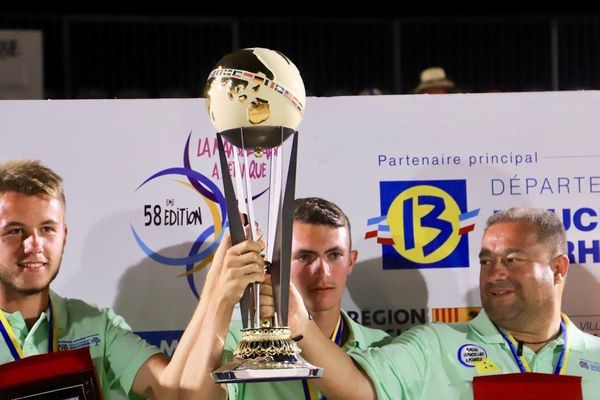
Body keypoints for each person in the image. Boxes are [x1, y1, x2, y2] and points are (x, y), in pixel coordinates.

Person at [278, 207, 600, 399]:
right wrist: (298, 323)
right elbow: (355, 389)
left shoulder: (595, 356)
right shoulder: (432, 346)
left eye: (512, 259)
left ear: (558, 268)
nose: (495, 273)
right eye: (486, 261)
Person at [0, 159, 246, 400]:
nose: (34, 245)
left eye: (47, 229)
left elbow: (171, 391)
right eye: (15, 231)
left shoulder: (97, 325)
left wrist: (215, 292)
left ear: (64, 236)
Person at [186, 197, 391, 399]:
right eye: (304, 257)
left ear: (351, 261)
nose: (323, 272)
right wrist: (219, 297)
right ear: (276, 264)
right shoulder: (234, 342)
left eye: (334, 255)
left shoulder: (382, 346)